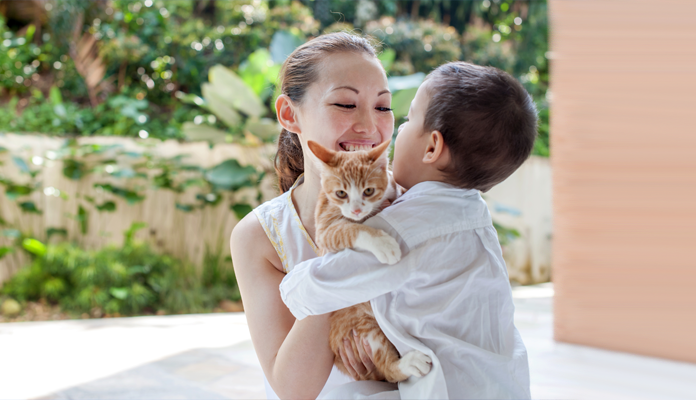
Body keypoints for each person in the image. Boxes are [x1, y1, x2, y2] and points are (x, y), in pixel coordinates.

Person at [279, 61, 537, 399]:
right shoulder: (473, 213)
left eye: (406, 119)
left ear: (431, 147)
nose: (394, 130)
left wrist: (293, 283)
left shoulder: (405, 229)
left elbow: (313, 290)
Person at [230, 32, 397, 399]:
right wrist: (343, 289)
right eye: (345, 104)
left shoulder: (411, 203)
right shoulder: (262, 236)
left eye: (383, 107)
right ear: (290, 114)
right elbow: (293, 388)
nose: (370, 126)